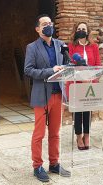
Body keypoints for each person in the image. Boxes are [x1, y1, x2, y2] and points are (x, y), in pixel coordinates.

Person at [24, 14, 71, 182]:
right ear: (37, 29)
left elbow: (67, 64)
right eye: (45, 24)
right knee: (39, 134)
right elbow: (28, 70)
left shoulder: (60, 45)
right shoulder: (32, 47)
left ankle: (54, 163)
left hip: (58, 93)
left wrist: (70, 67)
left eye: (50, 23)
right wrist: (51, 70)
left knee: (55, 133)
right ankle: (37, 166)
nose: (48, 26)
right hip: (41, 95)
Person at [68, 21, 101, 150]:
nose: (82, 30)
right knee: (77, 112)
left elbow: (98, 65)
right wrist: (82, 78)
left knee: (87, 111)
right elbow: (70, 65)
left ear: (88, 31)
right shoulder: (71, 46)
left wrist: (92, 79)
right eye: (79, 28)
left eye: (84, 29)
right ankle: (78, 136)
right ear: (76, 31)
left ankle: (87, 136)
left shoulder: (94, 47)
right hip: (76, 84)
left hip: (90, 84)